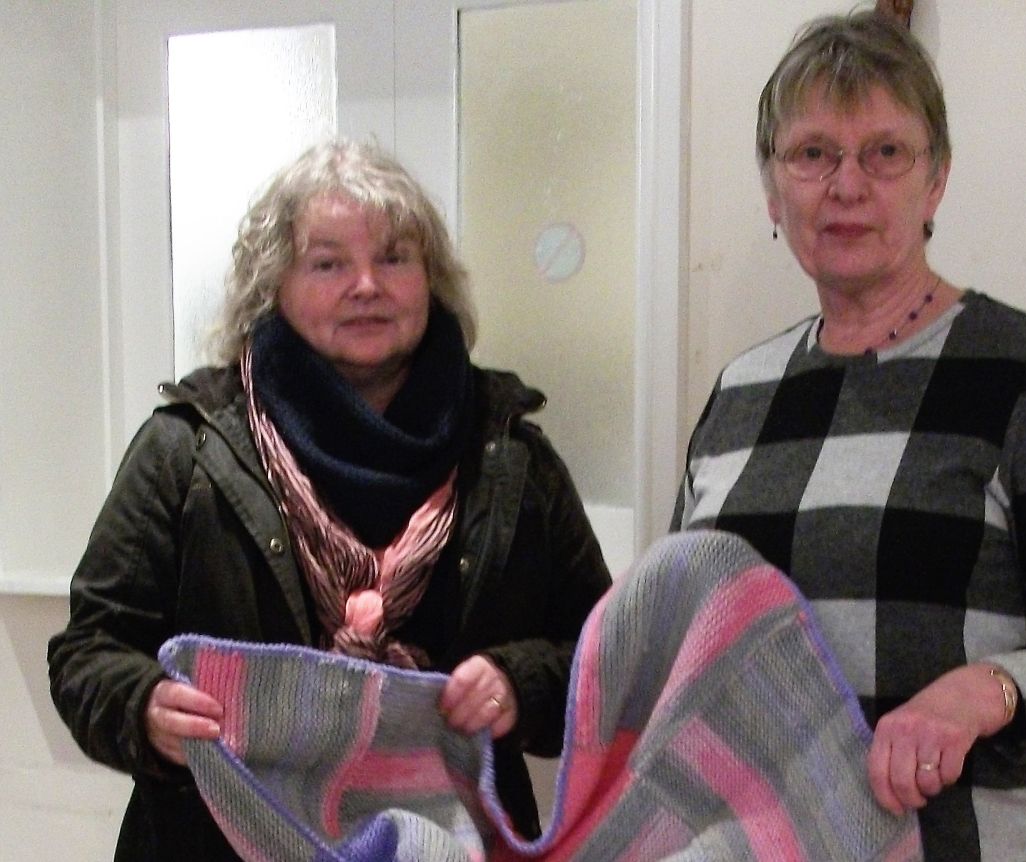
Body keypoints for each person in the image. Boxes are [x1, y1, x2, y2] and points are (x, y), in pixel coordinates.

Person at [672, 11, 1026, 861]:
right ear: (772, 189)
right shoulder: (741, 391)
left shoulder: (1024, 374)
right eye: (813, 153)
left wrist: (991, 690)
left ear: (934, 182)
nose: (847, 184)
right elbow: (691, 631)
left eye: (885, 153)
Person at [47, 138, 611, 861]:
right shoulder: (187, 448)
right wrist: (145, 708)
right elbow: (87, 651)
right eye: (328, 263)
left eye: (395, 258)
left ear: (431, 280)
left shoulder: (510, 454)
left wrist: (521, 682)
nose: (367, 285)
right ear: (271, 286)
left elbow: (604, 658)